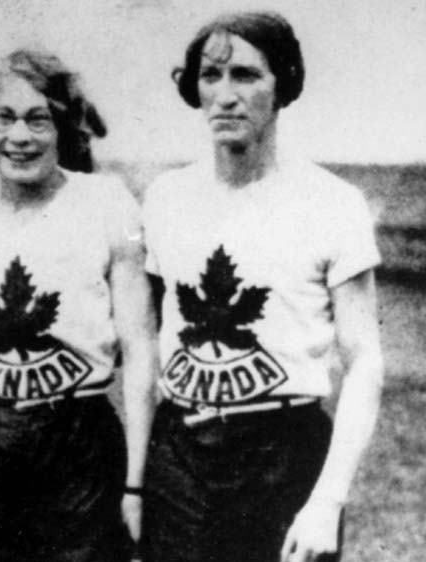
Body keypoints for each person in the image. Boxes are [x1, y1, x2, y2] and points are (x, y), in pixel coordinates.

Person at [140, 11, 384, 562]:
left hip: (283, 456)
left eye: (246, 76)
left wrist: (327, 501)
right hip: (181, 455)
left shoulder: (332, 202)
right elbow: (154, 332)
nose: (225, 96)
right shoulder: (165, 198)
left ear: (283, 88)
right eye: (210, 76)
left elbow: (365, 359)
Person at [0, 48, 158, 561]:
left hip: (79, 443)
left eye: (39, 120)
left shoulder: (107, 203)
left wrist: (136, 485)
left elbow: (141, 348)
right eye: (4, 119)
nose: (19, 137)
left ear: (62, 126)